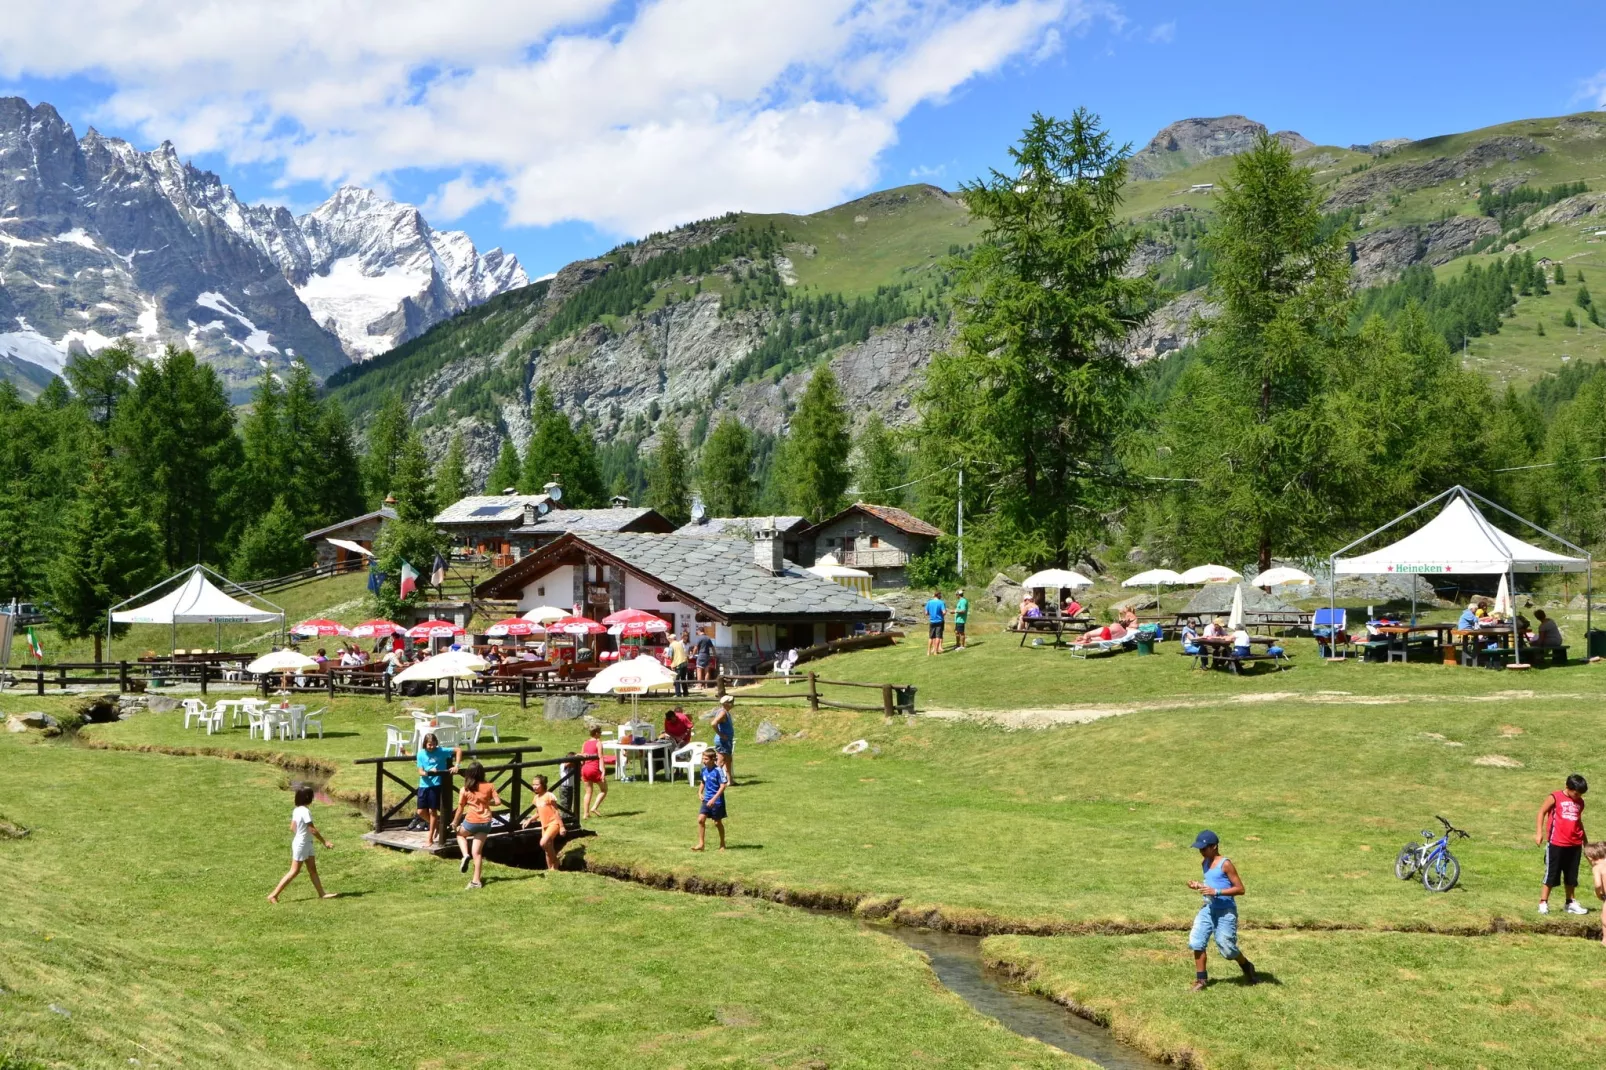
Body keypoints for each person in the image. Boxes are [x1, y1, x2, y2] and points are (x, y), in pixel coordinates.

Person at [1185, 830, 1256, 991]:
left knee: (1227, 949)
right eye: (1199, 849)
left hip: (1225, 911)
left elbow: (1240, 889)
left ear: (1214, 846)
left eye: (1203, 848)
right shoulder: (1204, 862)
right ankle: (1201, 980)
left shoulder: (1226, 864)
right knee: (1196, 941)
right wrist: (1198, 886)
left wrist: (1216, 892)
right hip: (1208, 909)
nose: (1201, 852)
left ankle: (1246, 966)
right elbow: (1211, 884)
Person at [267, 785, 336, 903]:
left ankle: (322, 894)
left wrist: (301, 835)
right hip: (302, 844)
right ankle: (273, 895)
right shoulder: (305, 811)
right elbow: (312, 830)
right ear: (308, 798)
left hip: (305, 843)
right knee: (294, 871)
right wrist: (325, 842)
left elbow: (292, 827)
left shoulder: (297, 810)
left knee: (312, 869)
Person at [1536, 774, 1591, 916]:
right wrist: (1539, 833)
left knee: (1571, 874)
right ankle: (1543, 902)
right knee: (1551, 873)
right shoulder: (1554, 797)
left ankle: (1570, 902)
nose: (1578, 796)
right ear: (1568, 787)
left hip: (1575, 843)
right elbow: (1541, 812)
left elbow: (1578, 822)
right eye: (1576, 793)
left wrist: (1585, 841)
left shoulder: (1580, 802)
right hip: (1556, 842)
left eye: (1581, 795)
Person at [452, 760, 502, 889]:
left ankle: (465, 855)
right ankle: (476, 881)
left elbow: (460, 808)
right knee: (477, 853)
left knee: (460, 834)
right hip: (485, 822)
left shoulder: (465, 789)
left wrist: (455, 822)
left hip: (471, 821)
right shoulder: (490, 786)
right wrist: (486, 803)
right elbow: (498, 802)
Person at [413, 734, 456, 845]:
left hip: (436, 785)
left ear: (436, 743)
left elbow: (458, 750)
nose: (431, 747)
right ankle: (436, 825)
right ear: (425, 744)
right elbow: (420, 771)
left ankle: (430, 838)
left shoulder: (441, 751)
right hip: (424, 785)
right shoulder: (421, 753)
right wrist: (429, 772)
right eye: (429, 744)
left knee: (433, 811)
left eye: (433, 744)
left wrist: (457, 765)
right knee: (420, 811)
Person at [520, 773, 564, 872]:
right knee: (547, 849)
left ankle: (556, 862)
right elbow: (538, 812)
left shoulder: (549, 796)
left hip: (554, 823)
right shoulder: (536, 798)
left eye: (537, 784)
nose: (534, 787)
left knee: (543, 843)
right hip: (544, 826)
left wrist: (561, 826)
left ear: (543, 785)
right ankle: (551, 870)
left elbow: (556, 811)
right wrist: (530, 820)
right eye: (533, 784)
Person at [694, 749, 730, 852]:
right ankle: (701, 844)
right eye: (702, 758)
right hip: (706, 799)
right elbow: (703, 782)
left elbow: (723, 786)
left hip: (717, 801)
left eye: (705, 759)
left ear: (712, 759)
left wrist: (714, 799)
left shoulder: (718, 771)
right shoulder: (704, 770)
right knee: (701, 820)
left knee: (717, 823)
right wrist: (700, 793)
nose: (703, 761)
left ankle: (722, 843)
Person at [579, 725, 609, 818]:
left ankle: (585, 813)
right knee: (604, 790)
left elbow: (582, 756)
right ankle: (594, 807)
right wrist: (603, 771)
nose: (601, 734)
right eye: (600, 732)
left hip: (585, 769)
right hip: (594, 769)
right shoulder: (598, 743)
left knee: (588, 792)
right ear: (596, 733)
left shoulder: (585, 743)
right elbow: (600, 757)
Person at [710, 694, 735, 781]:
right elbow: (713, 723)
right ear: (725, 704)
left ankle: (730, 780)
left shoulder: (724, 712)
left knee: (728, 760)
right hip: (723, 741)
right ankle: (713, 780)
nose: (733, 703)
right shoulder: (723, 712)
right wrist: (721, 734)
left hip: (726, 740)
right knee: (720, 761)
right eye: (731, 702)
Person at [1587, 842, 1606, 947]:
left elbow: (1598, 885)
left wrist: (1598, 894)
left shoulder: (1597, 868)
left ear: (1590, 858)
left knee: (1605, 919)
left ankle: (1605, 941)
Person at [670, 631, 691, 696]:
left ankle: (679, 693)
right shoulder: (680, 643)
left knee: (678, 678)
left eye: (686, 636)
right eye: (684, 636)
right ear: (682, 637)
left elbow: (671, 655)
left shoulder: (674, 644)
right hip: (682, 661)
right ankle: (685, 693)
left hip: (680, 662)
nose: (686, 637)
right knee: (682, 678)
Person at [925, 589, 946, 655]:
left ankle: (928, 652)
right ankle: (935, 652)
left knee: (931, 637)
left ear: (934, 595)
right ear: (939, 595)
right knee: (938, 637)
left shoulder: (929, 602)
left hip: (932, 621)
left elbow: (926, 613)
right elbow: (944, 612)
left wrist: (931, 613)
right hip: (939, 621)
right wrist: (942, 613)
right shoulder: (941, 602)